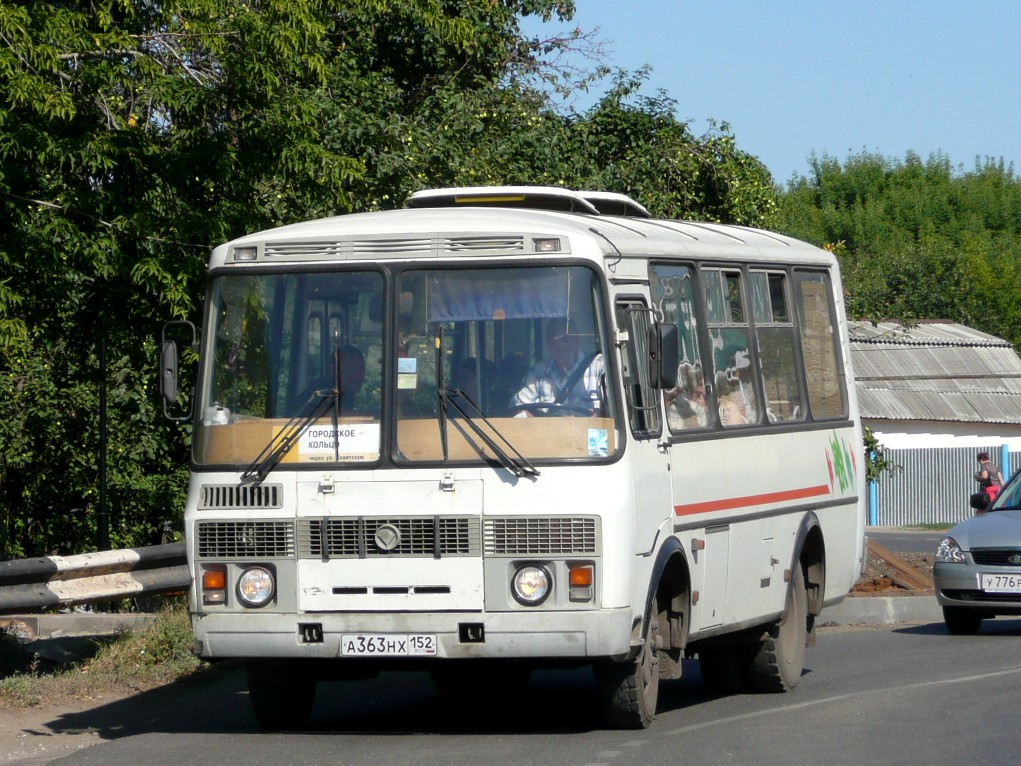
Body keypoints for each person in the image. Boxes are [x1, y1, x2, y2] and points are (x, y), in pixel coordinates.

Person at [510, 318, 603, 416]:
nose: (561, 344)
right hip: (546, 431)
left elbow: (610, 412)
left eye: (566, 338)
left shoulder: (598, 366)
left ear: (577, 339)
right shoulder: (539, 372)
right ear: (549, 344)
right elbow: (518, 406)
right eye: (555, 339)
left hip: (585, 430)